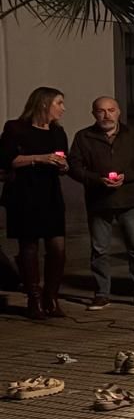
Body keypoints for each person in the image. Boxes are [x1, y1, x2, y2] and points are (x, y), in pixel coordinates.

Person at [68, 96, 134, 310]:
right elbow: (74, 166)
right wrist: (97, 179)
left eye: (110, 110)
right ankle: (101, 293)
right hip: (99, 201)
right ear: (94, 114)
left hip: (130, 199)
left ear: (119, 112)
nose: (106, 115)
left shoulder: (133, 134)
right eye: (101, 111)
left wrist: (127, 176)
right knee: (100, 249)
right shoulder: (84, 136)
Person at [0, 87, 70, 319]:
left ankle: (52, 297)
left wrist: (63, 166)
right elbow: (8, 160)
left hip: (50, 193)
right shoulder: (16, 128)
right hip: (24, 194)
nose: (63, 108)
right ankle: (34, 299)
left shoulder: (58, 132)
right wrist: (40, 158)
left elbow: (63, 161)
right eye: (59, 103)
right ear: (44, 104)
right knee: (29, 247)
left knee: (57, 247)